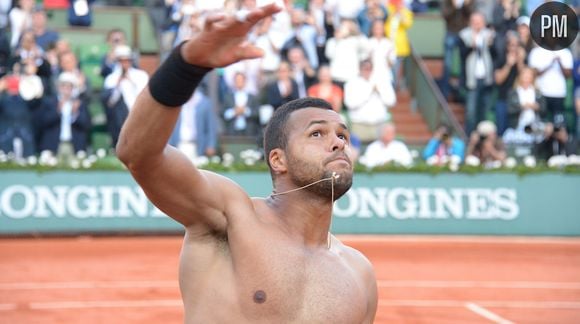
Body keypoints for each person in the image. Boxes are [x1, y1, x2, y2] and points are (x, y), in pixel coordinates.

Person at [116, 4, 377, 322]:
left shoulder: (359, 273)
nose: (338, 143)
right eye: (317, 134)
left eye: (342, 135)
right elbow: (139, 154)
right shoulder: (231, 217)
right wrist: (186, 65)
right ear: (278, 160)